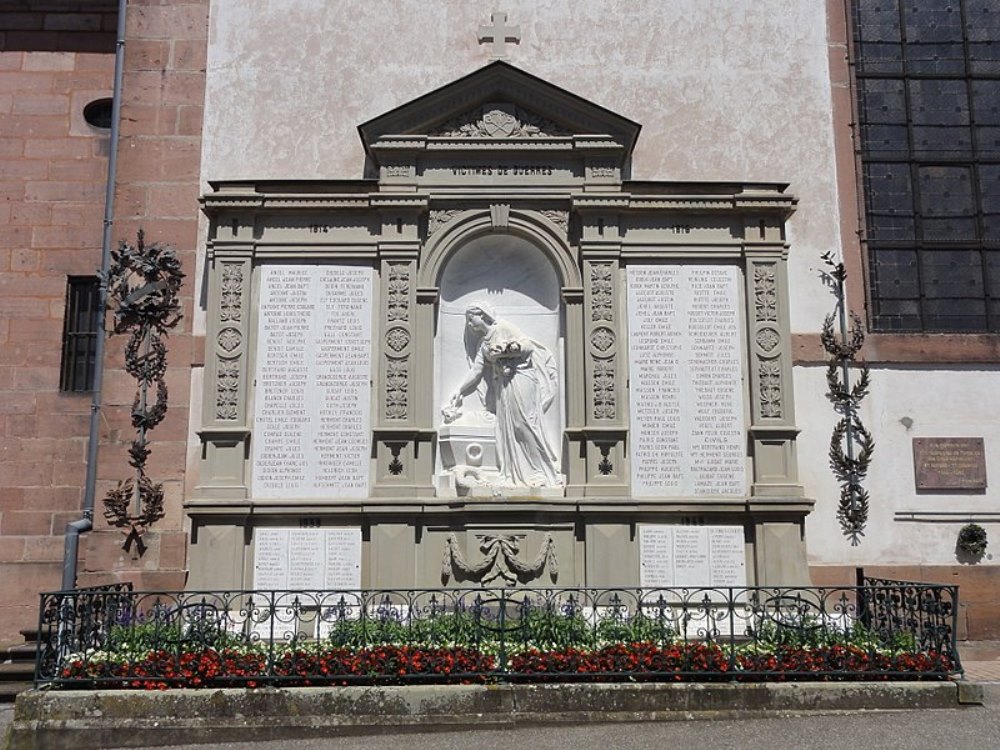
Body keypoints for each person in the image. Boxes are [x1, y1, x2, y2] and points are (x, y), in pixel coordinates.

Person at [448, 302, 562, 488]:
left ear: (482, 315)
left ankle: (540, 471)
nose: (469, 324)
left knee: (523, 424)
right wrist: (459, 390)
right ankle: (512, 473)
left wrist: (511, 348)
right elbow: (476, 371)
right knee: (504, 429)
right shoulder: (483, 343)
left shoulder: (503, 327)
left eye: (471, 319)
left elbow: (527, 346)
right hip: (503, 386)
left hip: (521, 380)